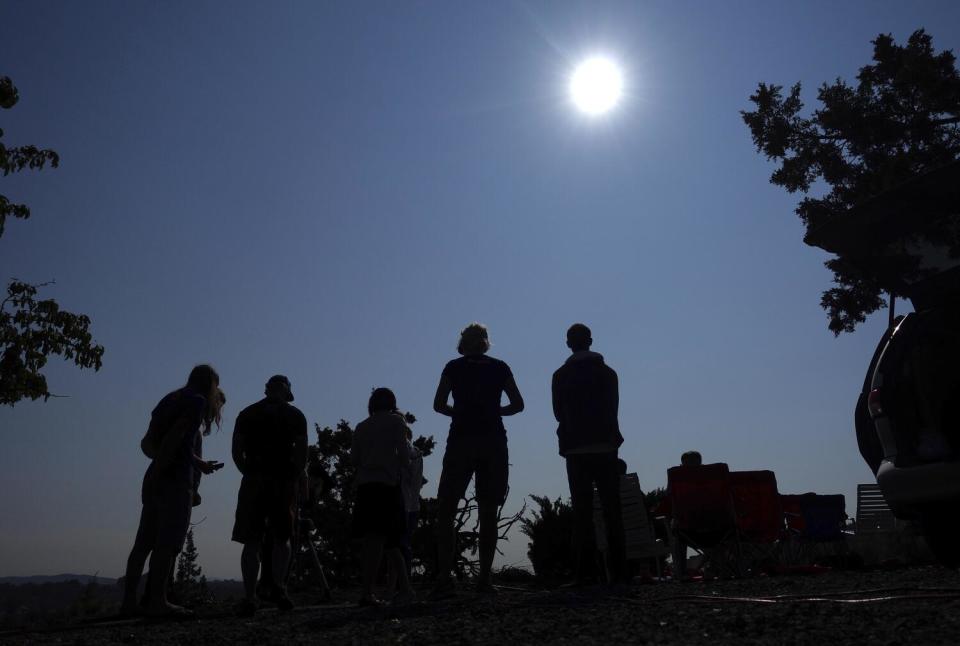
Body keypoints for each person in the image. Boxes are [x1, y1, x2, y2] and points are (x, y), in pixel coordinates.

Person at [121, 365, 225, 617]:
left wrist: (157, 469)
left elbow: (149, 441)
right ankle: (158, 601)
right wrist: (193, 463)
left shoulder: (170, 398)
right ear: (210, 384)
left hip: (155, 474)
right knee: (167, 545)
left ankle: (129, 603)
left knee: (143, 543)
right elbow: (178, 438)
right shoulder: (197, 401)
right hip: (175, 479)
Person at [431, 323, 524, 597]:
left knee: (446, 510)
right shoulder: (500, 367)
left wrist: (459, 413)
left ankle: (444, 578)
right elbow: (518, 404)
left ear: (463, 343)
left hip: (460, 439)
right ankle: (484, 579)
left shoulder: (453, 367)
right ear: (485, 343)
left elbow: (438, 404)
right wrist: (495, 411)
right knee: (488, 511)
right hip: (493, 441)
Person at [552, 323, 627, 586]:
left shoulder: (560, 376)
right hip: (606, 445)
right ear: (591, 341)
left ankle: (582, 574)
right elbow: (614, 407)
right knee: (612, 510)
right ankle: (619, 574)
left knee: (582, 512)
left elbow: (558, 412)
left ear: (568, 344)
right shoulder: (609, 373)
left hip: (576, 448)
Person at [231, 375, 308, 616]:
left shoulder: (247, 414)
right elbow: (302, 453)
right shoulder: (295, 416)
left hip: (254, 478)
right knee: (282, 536)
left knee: (252, 539)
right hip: (282, 480)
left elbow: (236, 450)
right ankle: (279, 588)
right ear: (286, 392)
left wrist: (250, 472)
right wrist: (294, 478)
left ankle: (251, 595)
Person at [351, 387, 416, 606]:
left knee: (372, 541)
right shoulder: (397, 423)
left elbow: (354, 459)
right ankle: (399, 589)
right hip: (388, 487)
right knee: (391, 541)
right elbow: (405, 457)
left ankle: (369, 591)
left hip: (366, 487)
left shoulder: (361, 427)